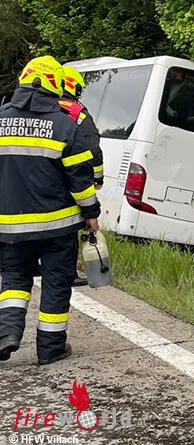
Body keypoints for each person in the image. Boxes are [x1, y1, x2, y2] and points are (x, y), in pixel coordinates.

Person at [0, 55, 101, 365]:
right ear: (56, 86)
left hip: (10, 227)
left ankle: (7, 333)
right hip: (58, 227)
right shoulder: (65, 125)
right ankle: (50, 348)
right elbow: (80, 179)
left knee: (14, 279)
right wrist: (91, 213)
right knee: (56, 282)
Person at [59, 65, 104, 287]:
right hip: (71, 177)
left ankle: (32, 263)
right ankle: (69, 273)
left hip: (40, 176)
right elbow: (92, 147)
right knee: (69, 224)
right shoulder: (78, 113)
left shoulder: (45, 108)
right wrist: (98, 177)